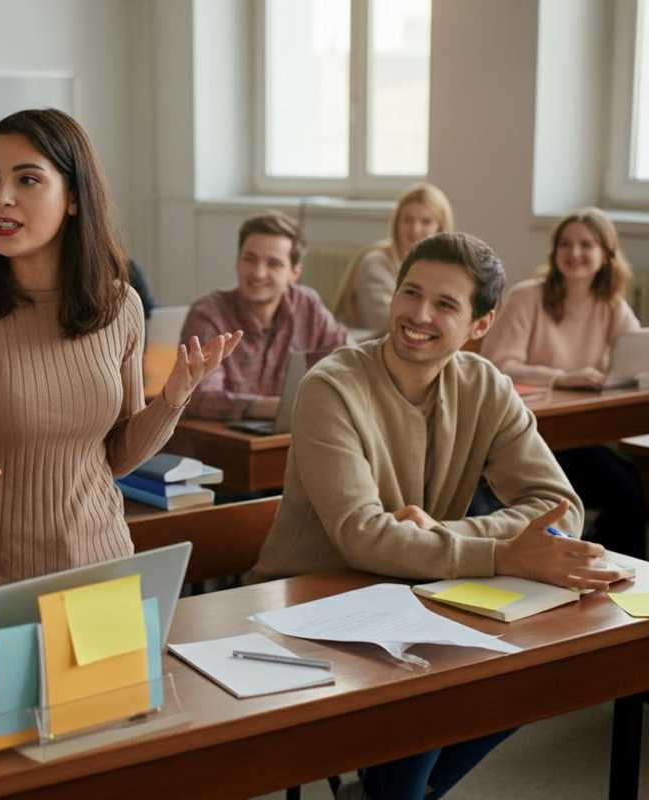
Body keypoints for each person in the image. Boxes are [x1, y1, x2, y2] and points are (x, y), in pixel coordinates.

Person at [254, 233, 621, 800]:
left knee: (539, 673)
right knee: (436, 687)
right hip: (316, 605)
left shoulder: (485, 385)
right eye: (411, 293)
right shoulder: (331, 385)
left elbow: (560, 507)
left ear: (480, 324)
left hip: (421, 591)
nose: (418, 315)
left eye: (446, 305)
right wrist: (500, 550)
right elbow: (363, 536)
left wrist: (447, 535)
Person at [0, 109, 242, 637]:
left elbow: (119, 458)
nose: (2, 197)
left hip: (99, 566)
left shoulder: (120, 306)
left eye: (28, 179)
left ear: (75, 198)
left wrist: (174, 397)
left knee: (114, 720)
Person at [482, 208, 647, 558]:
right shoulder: (528, 297)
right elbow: (499, 364)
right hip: (531, 435)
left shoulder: (611, 305)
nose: (574, 253)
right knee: (580, 494)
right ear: (554, 252)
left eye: (586, 245)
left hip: (582, 434)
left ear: (606, 255)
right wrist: (564, 377)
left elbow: (636, 357)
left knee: (632, 490)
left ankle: (611, 570)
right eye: (566, 245)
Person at [180, 211, 348, 421]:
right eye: (249, 259)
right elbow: (199, 397)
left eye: (273, 263)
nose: (258, 273)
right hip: (221, 443)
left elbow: (346, 361)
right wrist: (272, 408)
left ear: (294, 273)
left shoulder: (308, 305)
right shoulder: (208, 314)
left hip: (292, 439)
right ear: (237, 262)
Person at [333, 182, 454, 335]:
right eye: (408, 220)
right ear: (397, 223)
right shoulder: (375, 263)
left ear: (440, 227)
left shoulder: (444, 268)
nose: (415, 230)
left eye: (426, 222)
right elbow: (389, 324)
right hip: (366, 348)